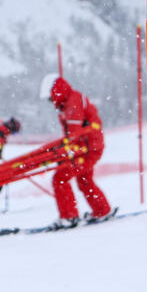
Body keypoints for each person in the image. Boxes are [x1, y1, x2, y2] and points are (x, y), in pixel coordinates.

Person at [42, 75, 114, 229]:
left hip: (86, 149)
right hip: (90, 147)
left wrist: (65, 151)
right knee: (84, 180)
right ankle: (102, 210)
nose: (51, 102)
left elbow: (74, 133)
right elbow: (73, 134)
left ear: (55, 92)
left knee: (60, 178)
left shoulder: (72, 102)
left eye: (50, 99)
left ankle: (69, 217)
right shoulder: (71, 100)